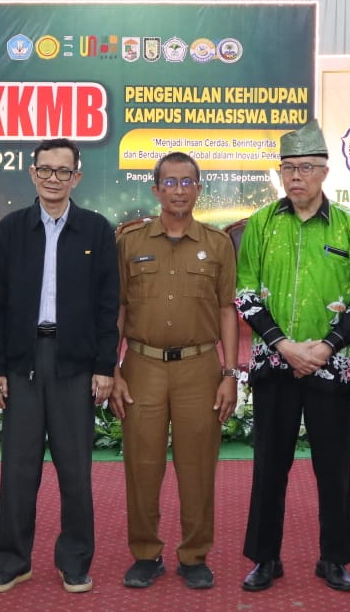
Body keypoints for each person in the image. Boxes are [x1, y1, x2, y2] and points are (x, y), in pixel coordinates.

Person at [236, 120, 350, 594]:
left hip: (331, 365)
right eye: (288, 168)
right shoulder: (261, 224)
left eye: (305, 168)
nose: (295, 176)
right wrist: (283, 345)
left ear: (324, 172)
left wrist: (325, 347)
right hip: (275, 364)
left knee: (333, 467)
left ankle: (334, 558)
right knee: (269, 465)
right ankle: (265, 558)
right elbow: (244, 294)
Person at [0, 138, 119, 594]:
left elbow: (108, 305)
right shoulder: (11, 230)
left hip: (75, 363)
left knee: (75, 470)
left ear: (76, 177)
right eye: (45, 169)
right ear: (32, 173)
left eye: (63, 171)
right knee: (17, 471)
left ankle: (74, 560)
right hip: (24, 361)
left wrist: (105, 366)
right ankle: (12, 561)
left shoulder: (96, 230)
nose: (53, 178)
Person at [111, 152, 239, 590]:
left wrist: (230, 373)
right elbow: (118, 309)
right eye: (170, 182)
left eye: (187, 182)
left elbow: (227, 309)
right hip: (142, 366)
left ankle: (194, 555)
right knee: (142, 464)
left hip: (199, 367)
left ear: (199, 189)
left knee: (198, 465)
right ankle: (145, 553)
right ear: (156, 189)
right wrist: (113, 369)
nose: (179, 190)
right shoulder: (130, 242)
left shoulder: (218, 244)